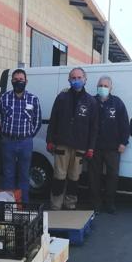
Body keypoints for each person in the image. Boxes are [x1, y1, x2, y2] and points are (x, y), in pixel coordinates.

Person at [46, 67, 98, 210]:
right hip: (62, 144)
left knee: (74, 178)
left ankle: (70, 204)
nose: (76, 80)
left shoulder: (91, 101)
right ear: (69, 80)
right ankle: (55, 205)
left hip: (80, 146)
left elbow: (94, 127)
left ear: (85, 79)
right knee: (59, 177)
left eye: (79, 77)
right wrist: (49, 140)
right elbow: (53, 120)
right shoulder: (61, 98)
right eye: (73, 78)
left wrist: (91, 147)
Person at [0, 69, 42, 203]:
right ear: (11, 81)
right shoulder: (4, 98)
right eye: (15, 79)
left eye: (21, 80)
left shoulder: (33, 99)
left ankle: (23, 204)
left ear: (26, 81)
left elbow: (37, 121)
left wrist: (28, 135)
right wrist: (5, 135)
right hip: (8, 142)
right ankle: (9, 205)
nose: (18, 82)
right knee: (8, 174)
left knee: (24, 174)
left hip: (25, 143)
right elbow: (0, 118)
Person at [88, 76, 130, 214]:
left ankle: (109, 203)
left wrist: (123, 142)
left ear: (111, 88)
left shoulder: (117, 103)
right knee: (94, 177)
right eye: (101, 85)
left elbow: (124, 124)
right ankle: (96, 204)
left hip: (113, 148)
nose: (103, 88)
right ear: (97, 86)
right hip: (94, 147)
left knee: (112, 176)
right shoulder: (91, 102)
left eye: (106, 86)